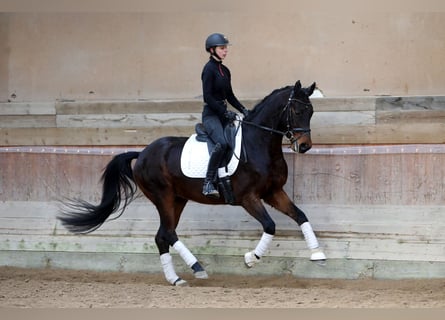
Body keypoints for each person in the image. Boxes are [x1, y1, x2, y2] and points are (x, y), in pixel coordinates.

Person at [201, 33, 249, 199]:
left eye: (226, 48)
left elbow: (230, 95)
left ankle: (227, 178)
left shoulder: (225, 70)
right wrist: (224, 112)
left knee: (236, 140)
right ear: (212, 49)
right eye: (222, 48)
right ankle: (208, 182)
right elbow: (207, 97)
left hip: (223, 115)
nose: (225, 51)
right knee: (221, 143)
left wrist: (244, 109)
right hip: (211, 116)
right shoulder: (208, 69)